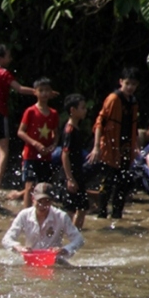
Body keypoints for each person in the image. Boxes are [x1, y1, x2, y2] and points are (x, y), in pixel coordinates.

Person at [0, 45, 37, 191]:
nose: (10, 59)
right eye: (8, 56)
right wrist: (38, 92)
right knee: (3, 148)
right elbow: (20, 89)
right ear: (0, 58)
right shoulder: (4, 73)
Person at [89, 67, 141, 219]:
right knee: (107, 183)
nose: (130, 87)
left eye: (134, 84)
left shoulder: (133, 102)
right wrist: (96, 147)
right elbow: (100, 122)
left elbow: (134, 127)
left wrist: (136, 146)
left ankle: (117, 216)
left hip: (125, 149)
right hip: (109, 147)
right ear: (121, 82)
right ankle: (101, 215)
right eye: (127, 83)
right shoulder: (113, 99)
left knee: (123, 184)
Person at [1, 183, 84, 259]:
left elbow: (79, 239)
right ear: (33, 199)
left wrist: (64, 250)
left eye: (47, 201)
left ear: (52, 201)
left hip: (54, 260)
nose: (42, 205)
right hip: (29, 259)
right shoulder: (24, 215)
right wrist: (19, 248)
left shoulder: (61, 216)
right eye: (39, 201)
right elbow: (6, 239)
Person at [16, 78, 60, 207]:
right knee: (29, 186)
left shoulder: (54, 113)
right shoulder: (30, 111)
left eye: (47, 90)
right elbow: (20, 132)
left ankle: (43, 213)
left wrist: (53, 146)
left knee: (44, 188)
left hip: (46, 156)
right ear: (35, 92)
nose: (44, 93)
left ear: (51, 93)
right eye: (41, 90)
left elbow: (56, 134)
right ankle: (26, 213)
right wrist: (35, 144)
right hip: (30, 155)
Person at [59, 93, 92, 228]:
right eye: (82, 108)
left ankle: (75, 235)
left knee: (82, 207)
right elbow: (64, 155)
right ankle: (63, 235)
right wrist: (69, 178)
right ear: (72, 110)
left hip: (77, 173)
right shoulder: (69, 130)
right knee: (70, 210)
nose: (85, 110)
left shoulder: (76, 128)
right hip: (70, 175)